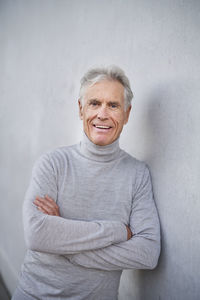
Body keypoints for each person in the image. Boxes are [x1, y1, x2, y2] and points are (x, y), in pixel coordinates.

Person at [12, 66, 160, 300]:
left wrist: (66, 243)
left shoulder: (137, 174)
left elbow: (147, 253)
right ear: (81, 109)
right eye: (94, 103)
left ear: (127, 114)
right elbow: (37, 235)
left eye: (113, 105)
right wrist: (119, 230)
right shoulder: (53, 163)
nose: (102, 114)